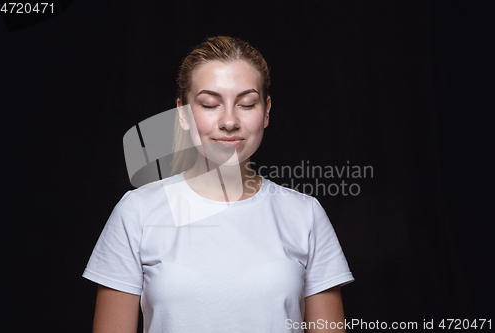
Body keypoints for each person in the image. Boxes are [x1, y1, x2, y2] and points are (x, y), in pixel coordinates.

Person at [83, 36, 354, 332]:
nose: (229, 121)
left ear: (266, 111)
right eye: (210, 104)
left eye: (246, 104)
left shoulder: (305, 215)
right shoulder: (137, 211)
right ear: (183, 113)